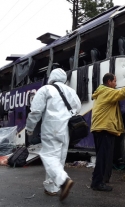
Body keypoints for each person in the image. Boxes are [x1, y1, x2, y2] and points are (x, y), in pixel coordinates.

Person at [25, 68, 81, 201]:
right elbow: (77, 108)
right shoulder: (71, 91)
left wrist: (29, 128)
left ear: (52, 77)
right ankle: (52, 188)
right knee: (58, 159)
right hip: (66, 128)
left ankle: (63, 180)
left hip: (51, 127)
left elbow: (35, 111)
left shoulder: (46, 89)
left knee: (48, 155)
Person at [90, 73, 125, 191]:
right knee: (102, 158)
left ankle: (98, 180)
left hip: (101, 128)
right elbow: (122, 93)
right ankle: (97, 183)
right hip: (103, 129)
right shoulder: (106, 91)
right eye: (114, 81)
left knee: (102, 157)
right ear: (109, 82)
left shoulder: (102, 92)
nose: (116, 83)